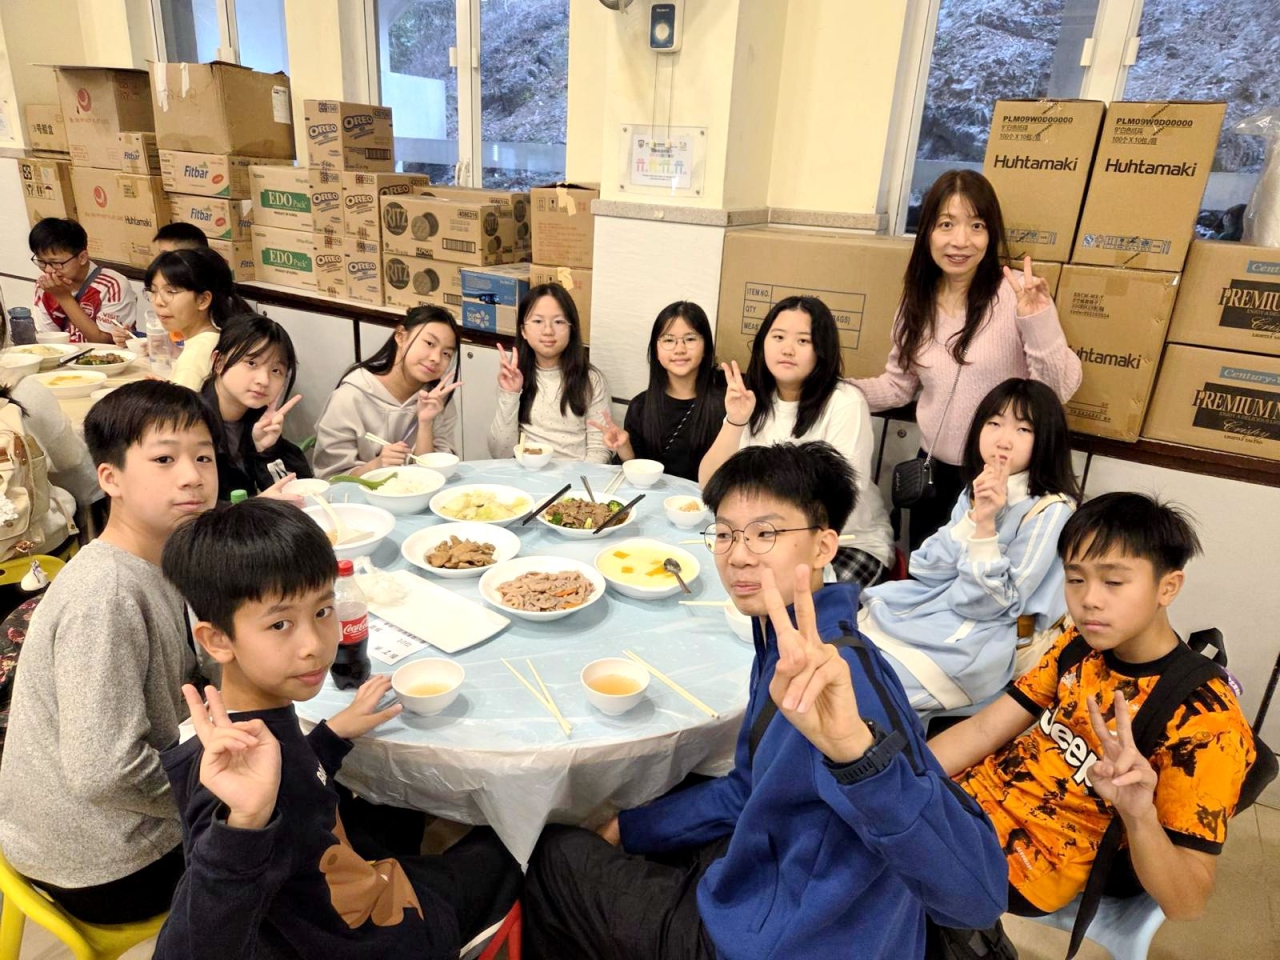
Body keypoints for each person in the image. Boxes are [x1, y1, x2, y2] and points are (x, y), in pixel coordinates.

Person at [523, 441, 1007, 960]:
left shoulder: (843, 681)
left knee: (553, 856)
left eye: (765, 533)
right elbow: (748, 788)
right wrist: (629, 827)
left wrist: (856, 754)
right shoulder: (790, 644)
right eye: (725, 533)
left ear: (824, 546)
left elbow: (976, 898)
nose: (738, 554)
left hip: (779, 940)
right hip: (778, 894)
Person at [155, 500, 522, 959]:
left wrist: (331, 736)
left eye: (323, 611)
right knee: (530, 843)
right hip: (370, 940)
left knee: (404, 814)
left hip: (347, 887)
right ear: (217, 640)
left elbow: (299, 782)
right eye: (280, 623)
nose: (314, 645)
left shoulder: (257, 722)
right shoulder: (229, 787)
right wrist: (244, 824)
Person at [929, 493, 1257, 921]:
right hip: (967, 801)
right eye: (1075, 579)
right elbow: (984, 730)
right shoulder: (1080, 645)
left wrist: (1138, 815)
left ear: (1168, 587)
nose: (1089, 600)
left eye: (1113, 582)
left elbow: (1187, 904)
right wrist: (903, 777)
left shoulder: (1205, 719)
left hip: (1026, 865)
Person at [0, 381, 217, 923]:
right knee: (301, 806)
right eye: (164, 459)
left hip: (94, 830)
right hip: (107, 863)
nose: (192, 476)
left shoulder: (160, 557)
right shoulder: (108, 594)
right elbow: (105, 773)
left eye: (203, 457)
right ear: (110, 478)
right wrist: (215, 791)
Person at [850, 170, 1082, 550]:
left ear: (991, 234)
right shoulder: (916, 302)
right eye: (946, 224)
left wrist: (1038, 319)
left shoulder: (1016, 294)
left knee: (984, 576)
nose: (960, 241)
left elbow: (1058, 391)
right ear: (927, 232)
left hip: (1004, 479)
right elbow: (897, 386)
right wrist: (827, 388)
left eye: (976, 226)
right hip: (935, 474)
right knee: (928, 572)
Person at [858, 378, 1080, 714]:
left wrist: (986, 525)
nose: (1003, 440)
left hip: (987, 639)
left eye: (1023, 429)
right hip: (938, 611)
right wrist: (974, 515)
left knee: (869, 690)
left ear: (1047, 440)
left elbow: (994, 606)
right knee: (846, 652)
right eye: (994, 423)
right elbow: (926, 569)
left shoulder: (1052, 511)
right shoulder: (978, 488)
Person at [697, 296, 894, 588]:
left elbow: (844, 496)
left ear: (822, 350)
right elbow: (708, 484)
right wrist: (736, 419)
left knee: (794, 605)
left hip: (843, 542)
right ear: (763, 343)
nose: (787, 349)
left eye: (803, 341)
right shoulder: (753, 400)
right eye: (778, 337)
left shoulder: (845, 402)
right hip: (766, 540)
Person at [312, 306, 461, 478]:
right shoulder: (350, 397)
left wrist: (425, 423)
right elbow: (331, 479)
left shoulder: (437, 399)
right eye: (429, 343)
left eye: (446, 353)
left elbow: (433, 476)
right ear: (400, 336)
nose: (436, 358)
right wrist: (376, 465)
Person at [588, 301, 726, 483]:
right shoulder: (641, 406)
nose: (680, 349)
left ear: (706, 347)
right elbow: (636, 475)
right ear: (656, 349)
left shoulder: (725, 406)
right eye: (668, 340)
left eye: (690, 339)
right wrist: (624, 447)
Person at [487, 282, 610, 463]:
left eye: (558, 322)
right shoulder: (515, 376)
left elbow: (599, 450)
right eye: (538, 321)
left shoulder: (591, 380)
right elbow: (500, 453)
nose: (548, 331)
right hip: (526, 473)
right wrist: (510, 394)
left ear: (572, 329)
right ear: (523, 331)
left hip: (576, 476)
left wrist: (578, 480)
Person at [200, 314, 312, 500]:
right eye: (251, 363)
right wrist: (255, 505)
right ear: (218, 362)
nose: (264, 380)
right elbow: (192, 506)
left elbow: (299, 493)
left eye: (276, 371)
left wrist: (268, 451)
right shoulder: (190, 422)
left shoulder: (259, 421)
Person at [28, 217, 138, 344]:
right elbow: (50, 342)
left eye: (56, 263)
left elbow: (105, 343)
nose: (48, 270)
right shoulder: (45, 286)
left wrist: (63, 297)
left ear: (82, 258)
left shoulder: (113, 285)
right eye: (41, 262)